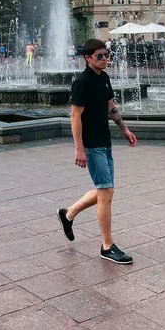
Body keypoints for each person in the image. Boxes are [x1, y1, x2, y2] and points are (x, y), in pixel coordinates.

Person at [57, 39, 137, 265]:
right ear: (88, 58)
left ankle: (68, 213)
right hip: (91, 145)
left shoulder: (103, 78)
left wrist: (125, 128)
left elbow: (110, 106)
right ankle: (107, 246)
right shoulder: (81, 82)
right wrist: (79, 149)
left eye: (106, 55)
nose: (105, 59)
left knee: (105, 190)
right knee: (106, 193)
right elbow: (75, 116)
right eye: (100, 56)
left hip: (105, 141)